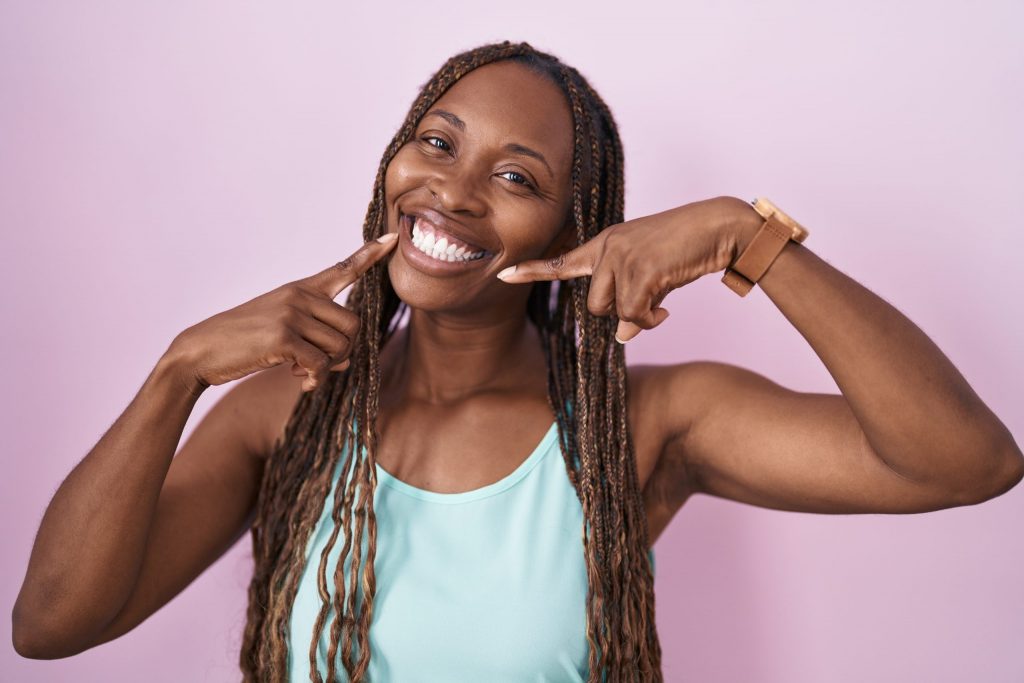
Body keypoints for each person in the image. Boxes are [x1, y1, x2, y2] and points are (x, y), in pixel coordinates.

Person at [12, 39, 1023, 682]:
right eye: (436, 143)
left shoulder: (646, 424)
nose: (451, 192)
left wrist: (739, 232)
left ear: (571, 224)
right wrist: (178, 372)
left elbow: (963, 461)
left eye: (515, 175)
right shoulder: (286, 410)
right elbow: (54, 624)